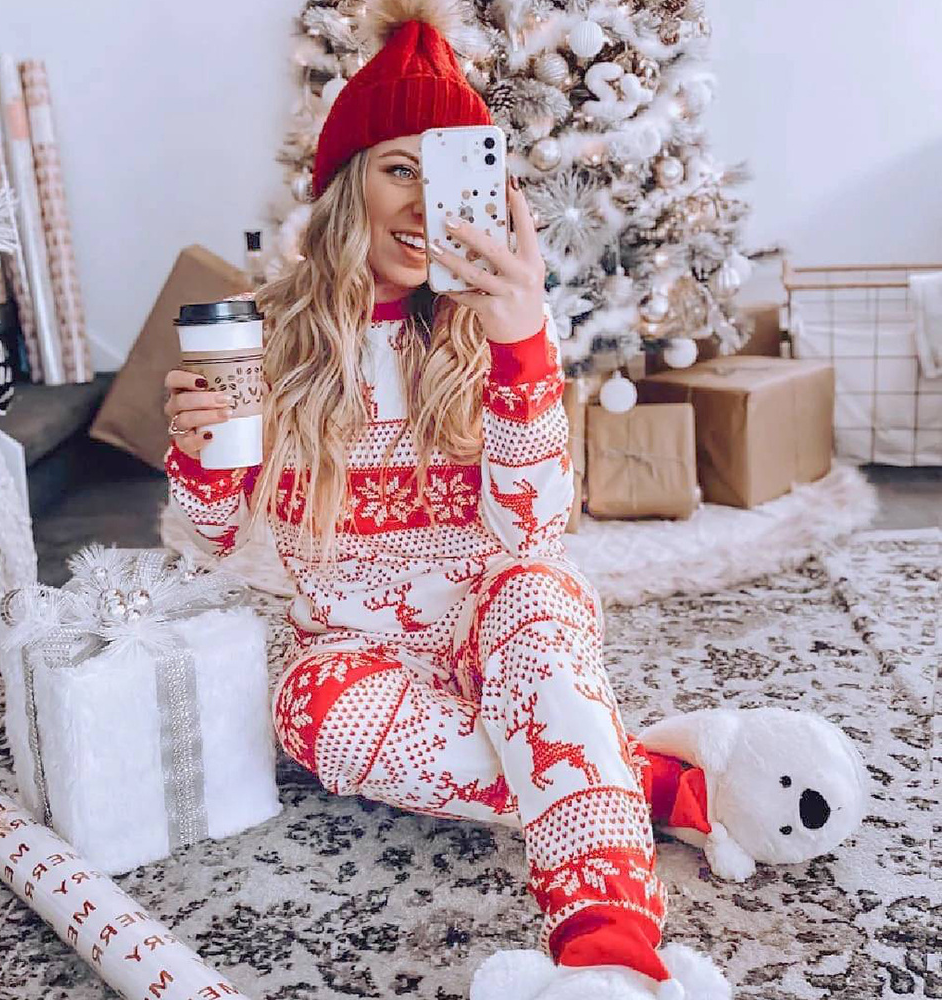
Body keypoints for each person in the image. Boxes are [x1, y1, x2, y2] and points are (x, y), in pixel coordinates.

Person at [163, 2, 727, 996]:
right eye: (398, 168)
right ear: (347, 184)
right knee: (308, 714)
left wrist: (520, 344)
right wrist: (199, 453)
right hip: (357, 660)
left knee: (539, 593)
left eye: (448, 169)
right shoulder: (265, 337)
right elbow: (211, 538)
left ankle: (606, 946)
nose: (426, 202)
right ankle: (645, 781)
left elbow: (532, 531)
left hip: (493, 625)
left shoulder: (491, 327)